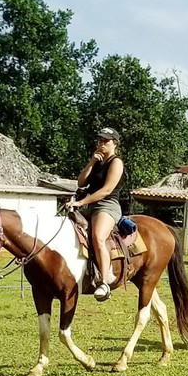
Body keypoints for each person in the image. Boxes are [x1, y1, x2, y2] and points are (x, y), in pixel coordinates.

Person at [67, 127, 125, 300]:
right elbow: (81, 182)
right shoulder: (97, 161)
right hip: (90, 205)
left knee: (98, 236)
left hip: (107, 205)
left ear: (114, 143)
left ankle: (104, 281)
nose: (101, 144)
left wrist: (80, 203)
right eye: (99, 140)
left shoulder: (116, 163)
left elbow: (107, 190)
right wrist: (91, 162)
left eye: (105, 141)